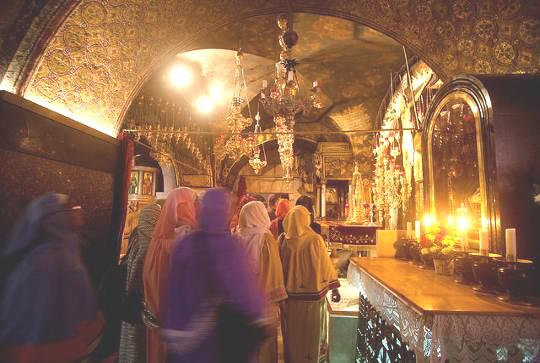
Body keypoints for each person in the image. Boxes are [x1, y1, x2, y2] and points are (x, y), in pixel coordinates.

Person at [162, 188, 269, 363]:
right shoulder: (231, 247)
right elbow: (245, 292)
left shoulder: (185, 245)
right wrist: (258, 315)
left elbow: (173, 291)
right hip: (223, 338)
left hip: (185, 336)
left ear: (201, 210)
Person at [0, 193, 103, 362]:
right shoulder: (49, 259)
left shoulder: (65, 250)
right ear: (56, 218)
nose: (78, 212)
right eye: (71, 209)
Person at [143, 187, 198, 363]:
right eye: (194, 203)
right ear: (186, 207)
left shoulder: (158, 241)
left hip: (157, 318)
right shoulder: (190, 238)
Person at [279, 206, 340, 363]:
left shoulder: (282, 241)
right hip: (313, 297)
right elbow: (325, 265)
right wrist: (334, 287)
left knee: (294, 333)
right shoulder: (315, 239)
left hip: (290, 298)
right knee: (312, 333)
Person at [236, 201, 288, 363]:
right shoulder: (265, 239)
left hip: (240, 301)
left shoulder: (236, 236)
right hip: (262, 300)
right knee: (264, 346)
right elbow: (273, 270)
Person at [118, 203, 161, 363]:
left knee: (131, 340)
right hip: (143, 304)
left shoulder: (137, 237)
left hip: (133, 301)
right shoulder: (154, 242)